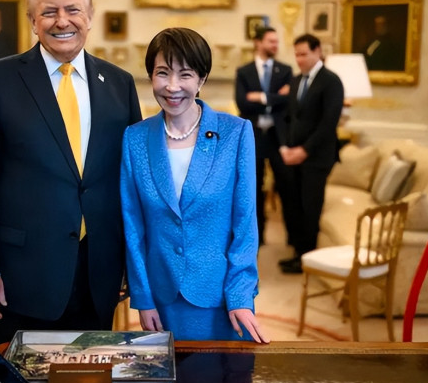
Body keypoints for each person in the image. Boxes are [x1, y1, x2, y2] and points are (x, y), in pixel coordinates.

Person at [0, 0, 142, 345]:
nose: (62, 21)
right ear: (32, 20)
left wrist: (132, 264)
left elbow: (131, 181)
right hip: (23, 274)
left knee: (90, 374)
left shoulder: (119, 83)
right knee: (25, 376)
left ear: (89, 16)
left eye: (73, 10)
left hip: (99, 272)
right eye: (48, 12)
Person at [120, 27, 269, 343]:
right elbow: (133, 227)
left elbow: (245, 224)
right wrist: (143, 297)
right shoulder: (135, 138)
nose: (172, 86)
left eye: (185, 74)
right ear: (151, 76)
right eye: (163, 73)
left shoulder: (236, 133)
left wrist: (240, 296)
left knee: (224, 375)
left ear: (202, 79)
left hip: (222, 298)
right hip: (162, 297)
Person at [276, 34, 344, 274]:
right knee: (294, 206)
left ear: (318, 52)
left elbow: (328, 123)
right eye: (296, 54)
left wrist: (304, 150)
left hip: (316, 157)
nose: (299, 59)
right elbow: (288, 118)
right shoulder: (296, 81)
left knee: (310, 207)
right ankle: (299, 253)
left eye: (304, 54)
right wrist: (285, 147)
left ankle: (308, 257)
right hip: (293, 155)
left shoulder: (331, 81)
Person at [235, 26, 292, 246]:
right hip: (254, 137)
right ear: (258, 43)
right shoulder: (244, 71)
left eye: (277, 41)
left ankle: (292, 239)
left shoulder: (285, 70)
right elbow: (242, 103)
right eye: (271, 41)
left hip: (279, 137)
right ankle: (257, 238)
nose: (275, 45)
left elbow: (288, 101)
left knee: (286, 186)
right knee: (254, 189)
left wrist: (260, 97)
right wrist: (274, 97)